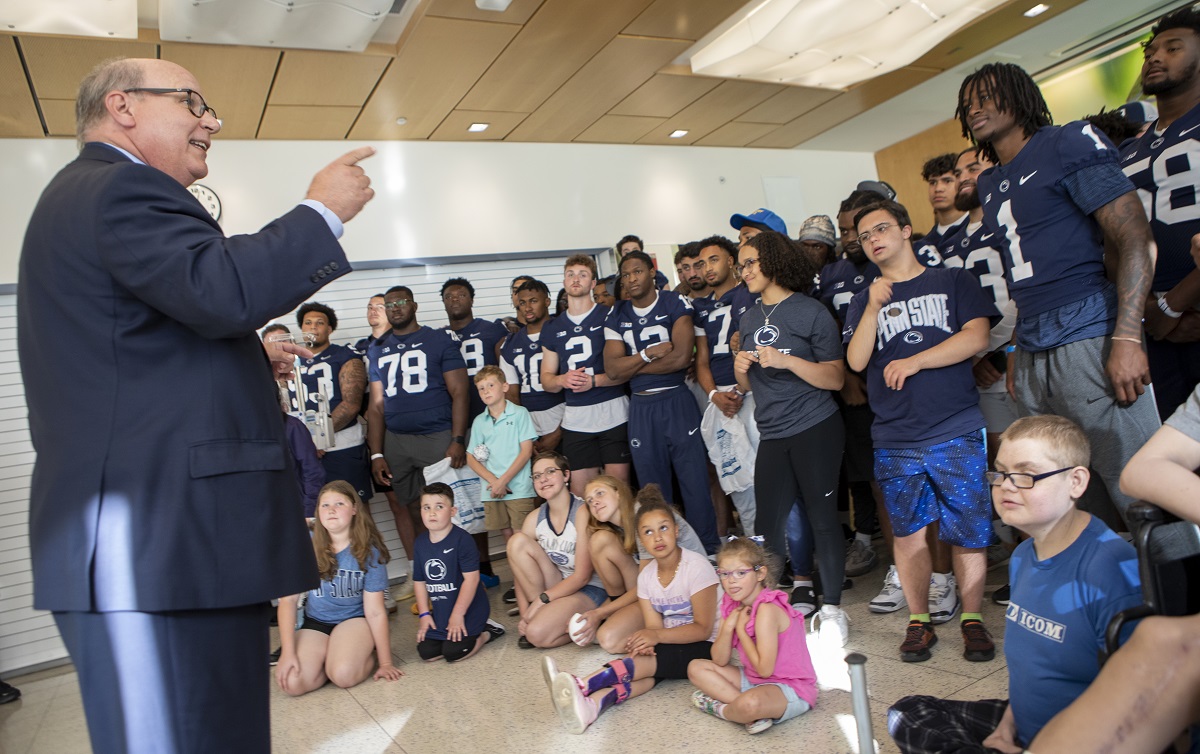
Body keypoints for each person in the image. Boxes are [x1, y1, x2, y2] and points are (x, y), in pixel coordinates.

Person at [18, 56, 374, 751]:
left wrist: (247, 354)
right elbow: (218, 289)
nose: (211, 121)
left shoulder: (92, 196)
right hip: (158, 547)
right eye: (192, 102)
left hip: (162, 549)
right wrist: (320, 211)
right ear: (122, 106)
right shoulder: (118, 190)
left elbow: (143, 345)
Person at [957, 62, 1160, 528]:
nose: (975, 108)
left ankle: (1182, 593)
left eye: (987, 95)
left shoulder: (1067, 141)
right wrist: (1014, 349)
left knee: (1139, 487)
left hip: (1089, 330)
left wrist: (1127, 337)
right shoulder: (989, 183)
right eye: (968, 103)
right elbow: (1022, 275)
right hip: (1032, 347)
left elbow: (1134, 238)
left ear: (1020, 96)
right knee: (1072, 497)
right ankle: (1119, 597)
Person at [888, 415, 1143, 753]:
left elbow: (1139, 706)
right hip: (1024, 723)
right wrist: (1010, 720)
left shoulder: (1111, 570)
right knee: (907, 713)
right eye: (1000, 472)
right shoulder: (1023, 555)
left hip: (1082, 741)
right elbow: (1032, 670)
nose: (1006, 485)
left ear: (1076, 482)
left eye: (1024, 474)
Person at [844, 199, 997, 662]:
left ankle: (972, 619)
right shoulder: (862, 299)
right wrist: (871, 309)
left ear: (907, 230)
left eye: (881, 228)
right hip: (895, 436)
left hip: (956, 427)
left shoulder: (952, 280)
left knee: (967, 530)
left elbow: (977, 337)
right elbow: (855, 361)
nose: (873, 239)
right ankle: (919, 621)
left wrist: (915, 361)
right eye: (864, 235)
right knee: (908, 535)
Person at [1029, 383, 1200, 753]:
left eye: (1026, 475)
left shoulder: (1100, 561)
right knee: (1158, 639)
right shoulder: (1023, 558)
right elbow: (1142, 469)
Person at [733, 231, 850, 643]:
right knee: (767, 524)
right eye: (740, 265)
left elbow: (835, 378)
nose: (743, 272)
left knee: (821, 519)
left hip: (816, 426)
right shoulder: (747, 317)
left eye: (750, 263)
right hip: (773, 433)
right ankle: (761, 608)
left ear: (774, 262)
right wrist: (741, 369)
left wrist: (785, 359)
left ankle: (833, 609)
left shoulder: (810, 312)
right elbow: (747, 389)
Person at [541, 498, 719, 734]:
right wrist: (649, 639)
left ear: (676, 530)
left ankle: (582, 685)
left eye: (663, 528)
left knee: (647, 661)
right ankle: (591, 707)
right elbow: (655, 626)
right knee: (645, 668)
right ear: (640, 540)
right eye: (648, 532)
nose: (657, 537)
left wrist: (654, 636)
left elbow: (703, 629)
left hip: (708, 646)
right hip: (673, 643)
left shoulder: (696, 566)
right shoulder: (646, 578)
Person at [604, 250, 719, 553]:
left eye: (637, 272)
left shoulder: (674, 302)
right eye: (626, 275)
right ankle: (667, 553)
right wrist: (647, 354)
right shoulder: (617, 313)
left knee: (694, 481)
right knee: (653, 489)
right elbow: (613, 370)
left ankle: (705, 550)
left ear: (652, 272)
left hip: (675, 400)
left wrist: (632, 366)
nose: (631, 279)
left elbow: (681, 358)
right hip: (641, 407)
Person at [1121, 7, 1200, 421]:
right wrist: (1151, 312)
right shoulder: (1127, 151)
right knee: (1178, 455)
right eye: (1151, 50)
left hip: (1183, 308)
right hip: (1153, 323)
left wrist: (1170, 308)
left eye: (1173, 48)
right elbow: (1114, 243)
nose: (1155, 57)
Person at [366, 285, 470, 596]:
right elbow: (375, 405)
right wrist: (376, 453)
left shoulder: (438, 339)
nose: (395, 308)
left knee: (451, 507)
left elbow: (460, 391)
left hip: (436, 435)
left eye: (401, 302)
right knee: (411, 506)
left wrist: (457, 438)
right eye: (389, 304)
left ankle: (461, 572)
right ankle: (426, 574)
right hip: (397, 439)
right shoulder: (377, 348)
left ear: (414, 305)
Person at [274, 482, 404, 697]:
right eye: (324, 505)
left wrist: (386, 662)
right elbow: (287, 601)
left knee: (343, 676)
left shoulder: (369, 552)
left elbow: (375, 611)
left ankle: (361, 654)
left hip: (354, 621)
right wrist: (287, 653)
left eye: (339, 503)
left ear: (354, 509)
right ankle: (329, 658)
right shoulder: (305, 545)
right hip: (317, 622)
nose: (331, 509)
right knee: (292, 683)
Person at [688, 536, 817, 735]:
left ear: (760, 574)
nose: (731, 581)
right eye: (724, 573)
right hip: (754, 680)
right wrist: (729, 626)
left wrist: (741, 632)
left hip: (790, 688)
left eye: (740, 573)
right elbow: (719, 659)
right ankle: (748, 711)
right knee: (695, 667)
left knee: (751, 704)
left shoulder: (767, 609)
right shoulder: (732, 604)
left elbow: (765, 669)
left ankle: (723, 709)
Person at [579, 479, 709, 652]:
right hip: (658, 587)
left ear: (619, 493)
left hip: (690, 590)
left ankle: (665, 631)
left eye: (600, 493)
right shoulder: (618, 528)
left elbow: (644, 584)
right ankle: (631, 618)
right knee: (599, 541)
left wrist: (600, 613)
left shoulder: (642, 515)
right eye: (589, 500)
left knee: (609, 639)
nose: (594, 502)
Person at [541, 255, 631, 496]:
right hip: (576, 418)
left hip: (613, 411)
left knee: (617, 491)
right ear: (564, 281)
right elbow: (546, 380)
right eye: (570, 274)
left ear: (593, 283)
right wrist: (562, 380)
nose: (575, 279)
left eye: (582, 274)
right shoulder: (552, 327)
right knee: (582, 496)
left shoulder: (610, 315)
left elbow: (627, 369)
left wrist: (594, 381)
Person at [442, 277, 509, 586]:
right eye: (449, 295)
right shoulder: (437, 337)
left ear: (471, 298)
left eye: (461, 294)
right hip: (458, 424)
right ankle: (477, 567)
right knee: (469, 498)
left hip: (491, 421)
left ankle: (503, 563)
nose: (455, 299)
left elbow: (509, 367)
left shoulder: (493, 329)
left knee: (503, 491)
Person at [692, 235, 760, 537]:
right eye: (702, 262)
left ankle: (788, 552)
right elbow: (701, 361)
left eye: (714, 259)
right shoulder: (700, 307)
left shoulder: (750, 293)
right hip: (720, 397)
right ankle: (759, 553)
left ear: (731, 261)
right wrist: (713, 395)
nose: (707, 267)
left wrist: (742, 388)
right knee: (736, 476)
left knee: (765, 471)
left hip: (752, 390)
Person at [506, 451, 606, 648]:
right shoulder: (534, 518)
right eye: (537, 476)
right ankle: (548, 618)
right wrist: (525, 613)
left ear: (566, 475)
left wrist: (541, 602)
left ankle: (595, 622)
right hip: (558, 584)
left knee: (536, 635)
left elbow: (582, 576)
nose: (543, 479)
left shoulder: (583, 511)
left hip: (589, 587)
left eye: (550, 471)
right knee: (516, 541)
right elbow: (518, 572)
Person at [412, 483, 505, 663]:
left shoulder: (463, 540)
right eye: (426, 507)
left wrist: (457, 615)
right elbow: (419, 581)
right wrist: (424, 615)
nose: (432, 513)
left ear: (453, 511)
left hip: (468, 610)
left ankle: (486, 632)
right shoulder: (420, 543)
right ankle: (454, 629)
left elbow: (471, 580)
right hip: (441, 613)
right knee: (427, 653)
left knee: (454, 653)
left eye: (439, 507)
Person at [294, 301, 372, 502]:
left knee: (356, 510)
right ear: (301, 327)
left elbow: (351, 404)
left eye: (319, 323)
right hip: (305, 450)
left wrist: (317, 439)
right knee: (316, 513)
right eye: (308, 322)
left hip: (341, 447)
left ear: (329, 329)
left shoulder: (345, 355)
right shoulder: (291, 360)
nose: (313, 327)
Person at [465, 366, 539, 545]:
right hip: (492, 490)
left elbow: (526, 451)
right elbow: (470, 458)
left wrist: (503, 481)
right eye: (481, 388)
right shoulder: (479, 421)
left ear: (505, 387)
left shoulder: (520, 413)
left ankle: (530, 573)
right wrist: (494, 482)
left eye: (491, 385)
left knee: (524, 537)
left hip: (518, 488)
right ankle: (516, 574)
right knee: (507, 536)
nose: (486, 391)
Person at [500, 279, 565, 454]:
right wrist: (525, 433)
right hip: (529, 421)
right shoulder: (510, 343)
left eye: (533, 301)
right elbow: (512, 394)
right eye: (522, 302)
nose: (527, 307)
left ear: (547, 301)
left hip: (564, 416)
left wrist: (560, 431)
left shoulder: (563, 332)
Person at [913, 153, 968, 268]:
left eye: (947, 181)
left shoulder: (979, 226)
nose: (938, 189)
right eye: (933, 182)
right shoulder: (926, 244)